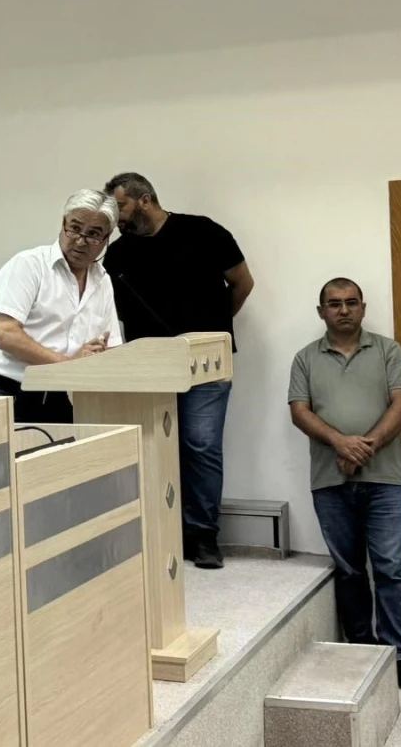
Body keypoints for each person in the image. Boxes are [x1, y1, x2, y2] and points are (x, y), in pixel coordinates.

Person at [103, 172, 254, 570]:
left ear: (145, 199)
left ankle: (203, 535)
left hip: (205, 365)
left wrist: (215, 329)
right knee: (153, 446)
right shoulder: (117, 254)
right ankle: (162, 532)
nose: (116, 216)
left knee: (201, 445)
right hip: (148, 365)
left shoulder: (203, 232)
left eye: (120, 206)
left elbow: (242, 283)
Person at [288, 278, 401, 692]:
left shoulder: (387, 351)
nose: (344, 310)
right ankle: (362, 648)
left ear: (363, 308)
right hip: (330, 481)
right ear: (322, 312)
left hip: (387, 481)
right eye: (334, 304)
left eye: (351, 302)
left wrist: (362, 448)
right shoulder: (305, 358)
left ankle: (398, 655)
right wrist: (340, 443)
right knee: (349, 570)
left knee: (391, 568)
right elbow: (299, 412)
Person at [0, 189, 122, 423]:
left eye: (93, 234)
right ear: (63, 224)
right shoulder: (29, 265)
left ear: (106, 238)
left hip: (57, 394)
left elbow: (111, 346)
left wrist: (96, 359)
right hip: (4, 389)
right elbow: (6, 335)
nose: (80, 241)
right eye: (75, 228)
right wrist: (70, 365)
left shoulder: (103, 281)